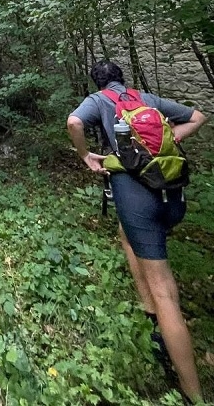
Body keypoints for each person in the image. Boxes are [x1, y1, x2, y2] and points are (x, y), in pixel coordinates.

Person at [67, 60, 207, 404]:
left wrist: (85, 155)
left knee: (166, 293)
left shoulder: (99, 101)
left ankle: (194, 394)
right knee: (126, 232)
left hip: (137, 196)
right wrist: (170, 138)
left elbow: (73, 121)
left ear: (97, 84)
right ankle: (147, 309)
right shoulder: (146, 98)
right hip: (172, 193)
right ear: (122, 79)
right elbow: (198, 116)